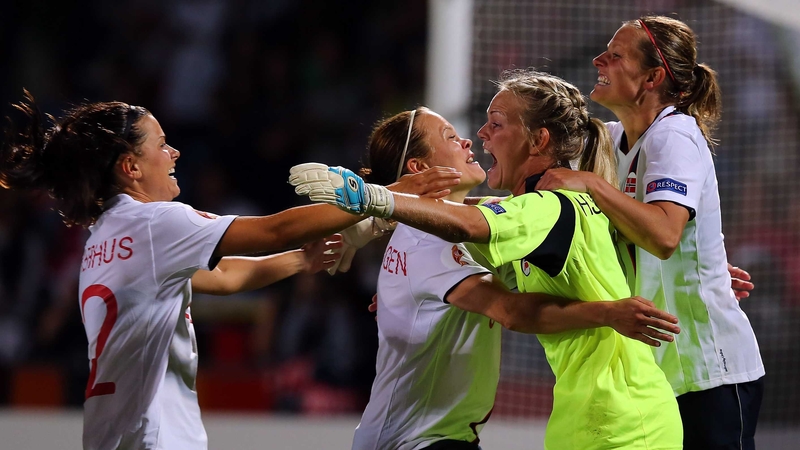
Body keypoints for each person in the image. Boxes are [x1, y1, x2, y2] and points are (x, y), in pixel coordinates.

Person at [0, 92, 456, 450]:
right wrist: (383, 196)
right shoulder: (154, 223)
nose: (175, 152)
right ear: (130, 167)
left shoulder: (104, 237)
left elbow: (224, 278)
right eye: (162, 144)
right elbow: (275, 230)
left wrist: (303, 260)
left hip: (112, 436)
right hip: (154, 435)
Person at [291, 70, 683, 450]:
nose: (478, 136)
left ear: (537, 139)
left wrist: (373, 199)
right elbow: (479, 220)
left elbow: (474, 228)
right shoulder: (536, 209)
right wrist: (380, 227)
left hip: (623, 419)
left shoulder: (545, 208)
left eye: (495, 124)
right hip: (589, 417)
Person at [534, 16, 765, 450]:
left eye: (615, 55)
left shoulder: (674, 135)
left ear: (653, 77)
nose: (598, 59)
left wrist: (596, 186)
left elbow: (663, 236)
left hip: (708, 373)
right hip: (660, 376)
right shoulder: (616, 139)